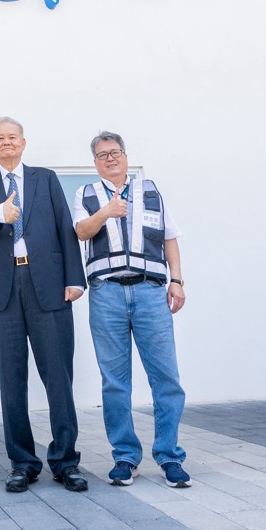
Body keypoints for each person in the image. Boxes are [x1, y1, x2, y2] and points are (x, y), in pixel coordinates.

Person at [0, 117, 89, 493]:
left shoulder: (45, 178)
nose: (6, 142)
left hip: (48, 284)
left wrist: (74, 278)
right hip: (1, 288)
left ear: (23, 142)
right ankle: (22, 463)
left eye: (12, 137)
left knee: (58, 375)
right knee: (10, 378)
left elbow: (65, 226)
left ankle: (65, 461)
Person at [72, 131, 191, 488]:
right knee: (115, 381)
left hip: (150, 292)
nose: (110, 158)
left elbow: (169, 237)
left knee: (166, 377)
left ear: (125, 156)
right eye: (102, 155)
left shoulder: (150, 191)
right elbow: (81, 232)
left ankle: (169, 456)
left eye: (115, 152)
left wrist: (177, 281)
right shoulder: (86, 194)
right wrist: (106, 212)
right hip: (106, 293)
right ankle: (125, 456)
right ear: (95, 162)